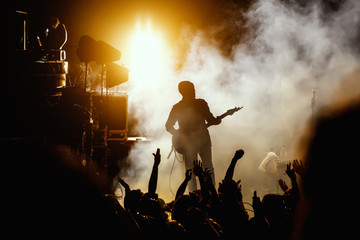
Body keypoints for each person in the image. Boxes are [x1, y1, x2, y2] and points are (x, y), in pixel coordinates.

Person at [165, 80, 221, 191]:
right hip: (200, 141)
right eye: (192, 89)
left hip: (199, 141)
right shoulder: (199, 104)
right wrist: (181, 135)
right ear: (184, 92)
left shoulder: (179, 106)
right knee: (206, 167)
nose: (194, 91)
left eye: (194, 89)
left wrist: (180, 135)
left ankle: (195, 193)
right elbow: (168, 126)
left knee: (193, 169)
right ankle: (210, 193)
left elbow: (168, 126)